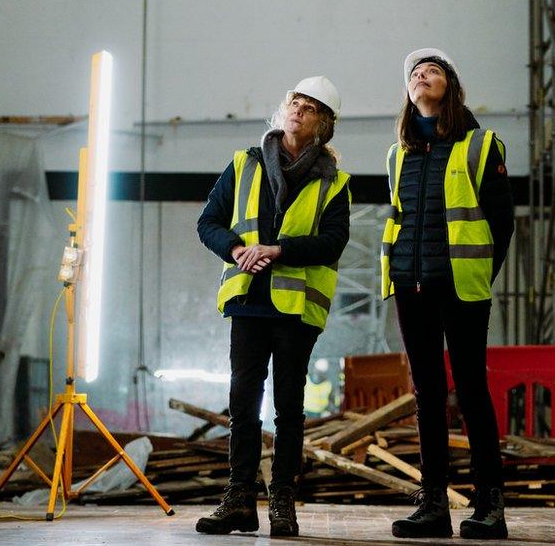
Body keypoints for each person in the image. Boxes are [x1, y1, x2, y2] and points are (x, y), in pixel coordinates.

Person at [195, 76, 350, 537]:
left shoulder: (334, 182)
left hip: (296, 310)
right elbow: (208, 222)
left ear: (323, 124)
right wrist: (236, 250)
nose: (298, 110)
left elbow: (333, 241)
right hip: (248, 301)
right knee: (242, 405)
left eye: (309, 107)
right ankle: (239, 499)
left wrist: (279, 250)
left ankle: (282, 501)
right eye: (294, 102)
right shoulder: (244, 164)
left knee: (288, 407)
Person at [381, 48, 514, 540]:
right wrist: (397, 274)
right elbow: (397, 219)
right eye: (415, 72)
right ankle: (433, 504)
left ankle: (490, 507)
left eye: (433, 70)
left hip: (461, 287)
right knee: (428, 395)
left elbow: (502, 224)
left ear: (450, 87)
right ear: (408, 92)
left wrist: (478, 275)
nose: (422, 75)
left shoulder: (480, 146)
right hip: (410, 288)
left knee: (472, 393)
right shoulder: (398, 155)